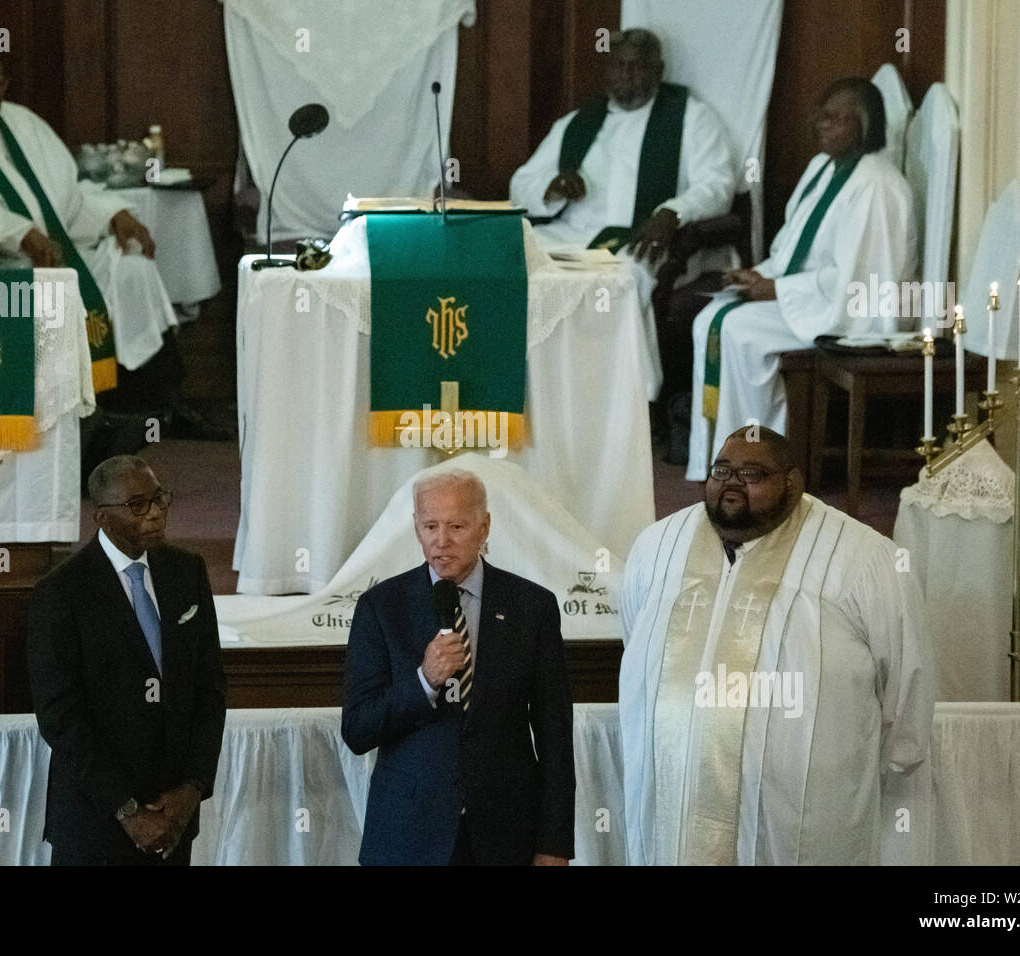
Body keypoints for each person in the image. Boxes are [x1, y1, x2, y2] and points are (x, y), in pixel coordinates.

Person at [619, 426, 933, 864]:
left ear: (793, 483)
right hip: (674, 810)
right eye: (721, 470)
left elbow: (905, 684)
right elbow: (634, 635)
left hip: (800, 821)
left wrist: (895, 756)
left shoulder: (862, 559)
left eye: (752, 474)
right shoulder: (657, 546)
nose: (731, 484)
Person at [0, 45, 227, 438]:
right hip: (4, 262)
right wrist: (21, 234)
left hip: (59, 246)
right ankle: (95, 415)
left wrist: (114, 215)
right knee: (59, 292)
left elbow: (69, 194)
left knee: (133, 271)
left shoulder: (22, 121)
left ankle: (159, 403)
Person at [684, 78, 917, 480]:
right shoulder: (823, 168)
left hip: (856, 313)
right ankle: (720, 456)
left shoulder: (876, 185)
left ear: (863, 125)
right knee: (709, 319)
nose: (822, 126)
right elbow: (793, 249)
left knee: (738, 331)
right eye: (821, 116)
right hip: (810, 299)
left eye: (836, 119)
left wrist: (777, 289)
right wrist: (760, 275)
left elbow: (861, 280)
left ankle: (763, 458)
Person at [341, 469, 575, 865]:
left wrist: (553, 843)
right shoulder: (382, 607)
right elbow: (358, 729)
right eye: (430, 525)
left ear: (484, 527)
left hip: (505, 835)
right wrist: (423, 683)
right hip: (408, 838)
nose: (441, 540)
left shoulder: (531, 607)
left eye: (456, 525)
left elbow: (555, 734)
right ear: (416, 528)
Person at [510, 28, 735, 405]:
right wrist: (553, 186)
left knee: (620, 278)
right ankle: (537, 388)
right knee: (516, 263)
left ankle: (616, 398)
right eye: (618, 65)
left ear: (658, 70)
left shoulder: (690, 117)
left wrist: (671, 211)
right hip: (570, 233)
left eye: (637, 66)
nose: (626, 75)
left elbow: (717, 184)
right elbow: (523, 181)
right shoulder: (581, 120)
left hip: (643, 240)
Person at [29, 455, 226, 865]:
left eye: (159, 499)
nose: (155, 513)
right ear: (101, 516)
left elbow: (210, 688)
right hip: (95, 823)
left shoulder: (186, 571)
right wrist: (127, 810)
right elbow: (61, 717)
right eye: (138, 505)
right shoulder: (61, 591)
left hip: (173, 818)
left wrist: (192, 788)